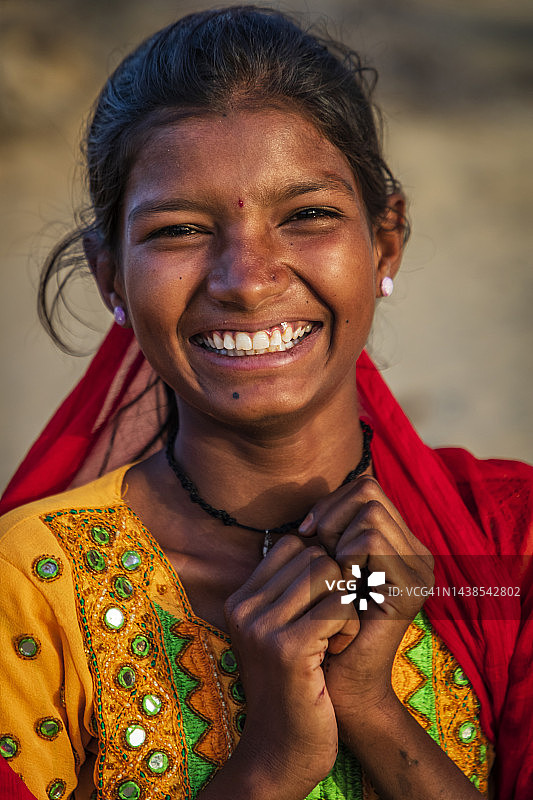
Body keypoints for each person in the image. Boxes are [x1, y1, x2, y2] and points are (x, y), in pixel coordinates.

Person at [0, 6, 531, 799]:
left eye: (307, 216)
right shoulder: (27, 586)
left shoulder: (507, 543)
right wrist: (274, 759)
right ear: (109, 274)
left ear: (385, 242)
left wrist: (370, 705)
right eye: (179, 230)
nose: (246, 281)